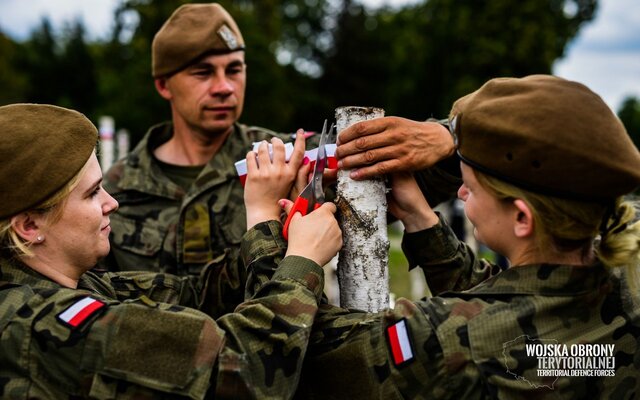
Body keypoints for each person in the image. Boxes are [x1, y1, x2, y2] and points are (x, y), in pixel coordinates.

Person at [241, 75, 640, 399]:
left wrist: (266, 227)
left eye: (472, 186)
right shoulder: (626, 293)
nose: (461, 193)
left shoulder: (445, 340)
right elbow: (508, 308)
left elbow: (292, 356)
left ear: (522, 217)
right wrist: (421, 220)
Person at [0, 103, 341, 398]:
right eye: (92, 194)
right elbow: (247, 373)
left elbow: (196, 295)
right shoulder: (41, 321)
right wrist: (302, 257)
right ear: (30, 226)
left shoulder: (67, 283)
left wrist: (272, 224)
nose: (112, 203)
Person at [101, 3, 302, 317]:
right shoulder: (113, 191)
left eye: (234, 70)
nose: (224, 87)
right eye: (203, 72)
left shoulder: (288, 159)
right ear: (163, 84)